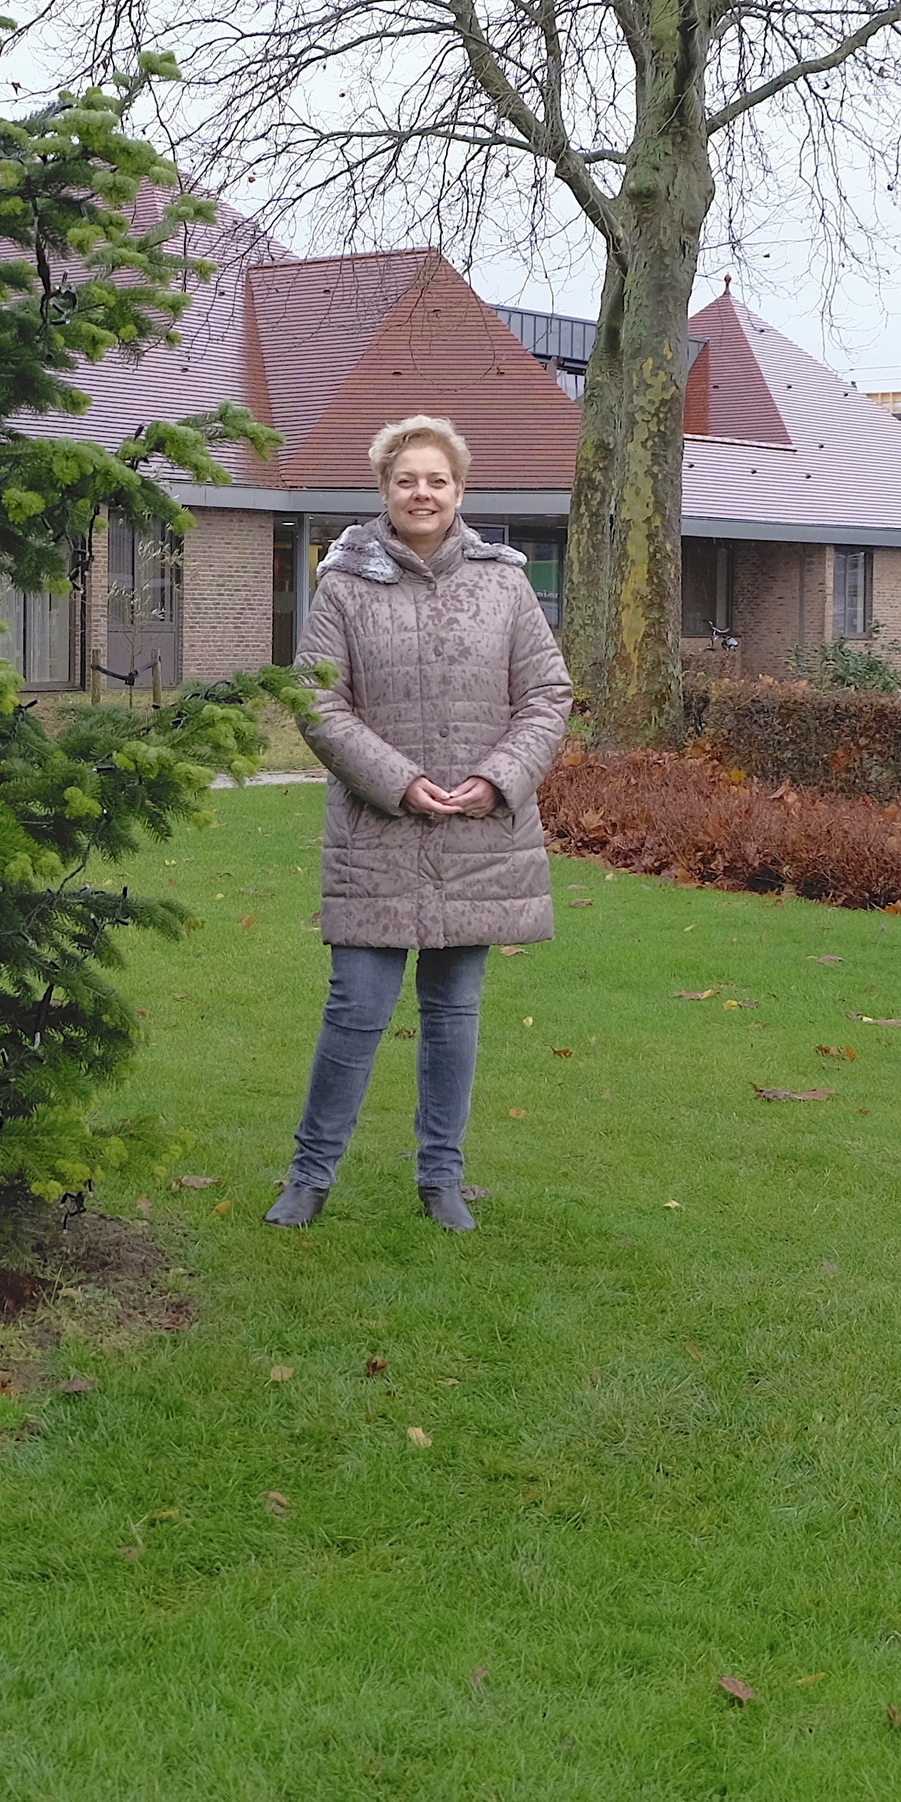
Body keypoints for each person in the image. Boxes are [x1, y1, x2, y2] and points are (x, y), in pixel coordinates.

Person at [268, 415, 572, 1232]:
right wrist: (396, 783)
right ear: (384, 491)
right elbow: (316, 700)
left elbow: (547, 695)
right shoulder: (343, 585)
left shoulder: (504, 583)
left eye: (437, 479)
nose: (422, 492)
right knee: (356, 1006)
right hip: (377, 834)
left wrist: (496, 778)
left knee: (454, 1011)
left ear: (460, 491)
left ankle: (441, 1178)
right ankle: (310, 1174)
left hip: (479, 835)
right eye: (407, 479)